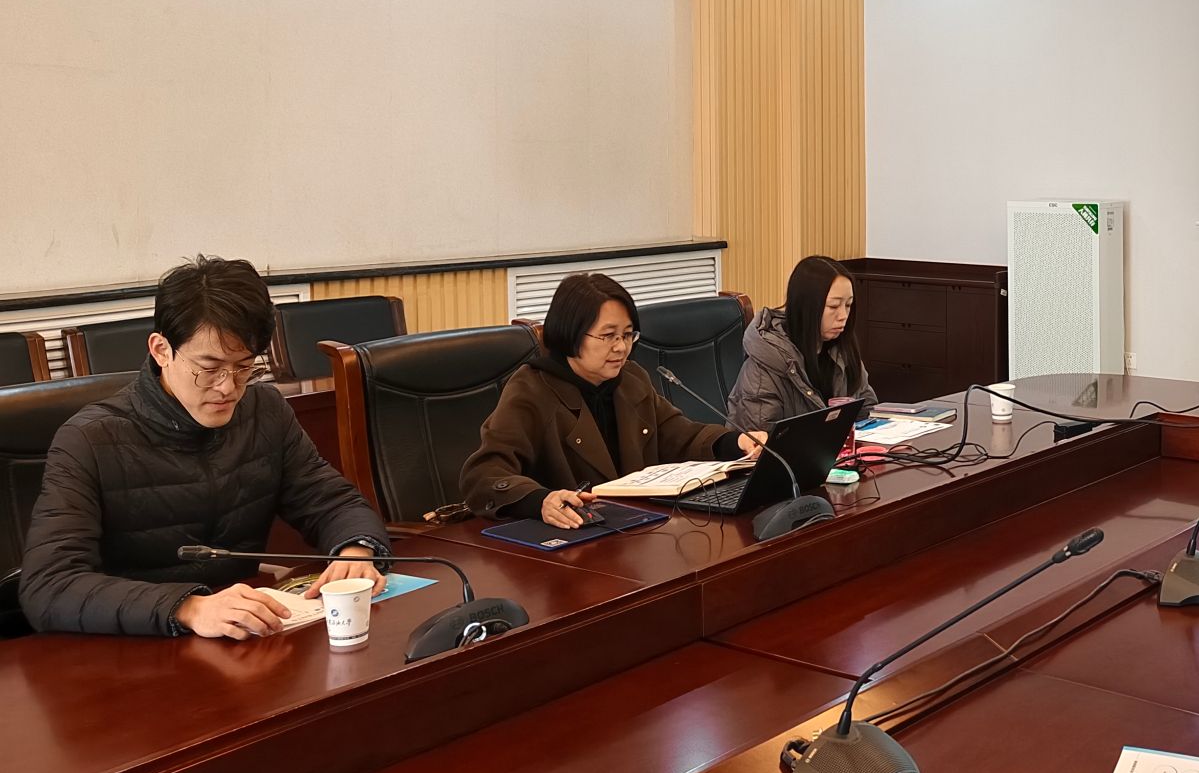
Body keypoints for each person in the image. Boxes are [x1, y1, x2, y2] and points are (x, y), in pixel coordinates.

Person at [20, 257, 392, 639]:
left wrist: (355, 551)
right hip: (133, 644)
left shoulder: (264, 412)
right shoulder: (90, 439)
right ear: (161, 350)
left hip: (241, 635)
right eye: (209, 368)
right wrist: (188, 607)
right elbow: (49, 585)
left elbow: (332, 503)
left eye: (244, 367)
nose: (228, 388)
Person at [461, 272, 765, 529]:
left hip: (635, 530)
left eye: (628, 335)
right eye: (608, 336)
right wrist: (540, 500)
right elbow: (484, 474)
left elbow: (677, 434)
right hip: (573, 541)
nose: (621, 347)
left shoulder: (630, 379)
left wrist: (736, 443)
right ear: (571, 334)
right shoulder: (532, 389)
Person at [726, 256, 872, 434]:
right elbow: (760, 441)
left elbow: (867, 410)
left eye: (848, 305)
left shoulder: (841, 349)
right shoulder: (764, 366)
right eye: (834, 306)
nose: (843, 316)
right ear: (806, 307)